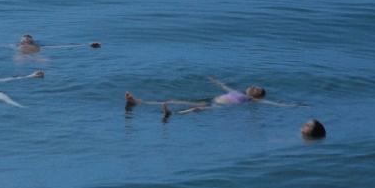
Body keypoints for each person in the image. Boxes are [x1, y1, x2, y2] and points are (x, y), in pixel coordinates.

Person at [125, 77, 302, 116]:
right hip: (212, 100)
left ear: (258, 96)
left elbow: (273, 104)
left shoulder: (253, 100)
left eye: (258, 89)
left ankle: (174, 114)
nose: (254, 88)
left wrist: (292, 106)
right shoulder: (239, 92)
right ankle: (140, 102)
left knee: (196, 109)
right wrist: (216, 82)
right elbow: (225, 86)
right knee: (176, 99)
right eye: (254, 86)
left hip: (220, 106)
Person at [0, 34, 101, 53]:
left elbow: (63, 46)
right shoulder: (17, 46)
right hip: (33, 54)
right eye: (25, 37)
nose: (26, 38)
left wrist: (87, 45)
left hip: (28, 54)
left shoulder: (18, 46)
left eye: (28, 38)